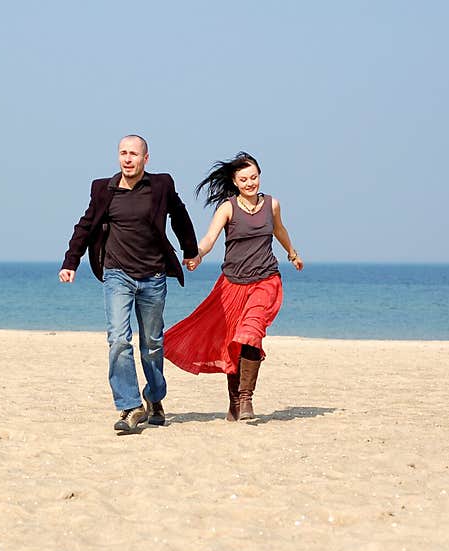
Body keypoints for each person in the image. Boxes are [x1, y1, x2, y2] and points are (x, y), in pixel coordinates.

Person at [59, 135, 199, 432]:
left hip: (153, 275)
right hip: (117, 274)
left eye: (134, 154)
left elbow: (180, 215)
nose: (127, 158)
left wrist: (189, 250)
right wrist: (71, 261)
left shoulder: (160, 185)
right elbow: (85, 225)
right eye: (123, 153)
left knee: (152, 344)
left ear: (145, 158)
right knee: (119, 340)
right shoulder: (103, 189)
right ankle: (130, 406)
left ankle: (154, 398)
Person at [164, 151, 303, 421]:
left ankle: (246, 398)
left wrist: (292, 253)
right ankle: (234, 402)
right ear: (235, 182)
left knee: (251, 333)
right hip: (232, 284)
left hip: (265, 279)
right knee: (232, 344)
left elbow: (280, 230)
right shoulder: (228, 208)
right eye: (244, 179)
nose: (250, 183)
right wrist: (197, 255)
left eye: (254, 177)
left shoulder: (272, 204)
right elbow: (209, 239)